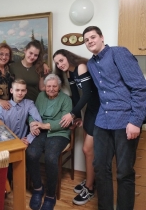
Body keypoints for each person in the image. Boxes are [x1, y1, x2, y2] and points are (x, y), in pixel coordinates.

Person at [83, 26, 146, 210]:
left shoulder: (119, 53)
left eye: (93, 37)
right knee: (101, 169)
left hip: (125, 121)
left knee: (124, 172)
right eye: (86, 40)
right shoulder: (91, 64)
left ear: (102, 37)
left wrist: (135, 121)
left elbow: (140, 88)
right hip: (103, 121)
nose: (90, 41)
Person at [53, 49, 100, 205]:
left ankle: (90, 188)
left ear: (68, 57)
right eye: (57, 63)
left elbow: (87, 93)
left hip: (100, 110)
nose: (60, 65)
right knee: (89, 151)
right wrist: (78, 116)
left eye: (61, 60)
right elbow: (76, 95)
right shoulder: (69, 73)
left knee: (87, 149)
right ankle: (91, 180)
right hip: (91, 110)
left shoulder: (81, 66)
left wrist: (72, 114)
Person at [26, 74, 72, 210]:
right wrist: (32, 124)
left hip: (59, 133)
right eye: (48, 86)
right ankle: (38, 188)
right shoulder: (41, 96)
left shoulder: (66, 99)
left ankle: (51, 195)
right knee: (31, 153)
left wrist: (45, 125)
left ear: (59, 87)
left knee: (51, 157)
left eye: (54, 86)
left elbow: (65, 122)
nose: (51, 89)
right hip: (41, 131)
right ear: (45, 87)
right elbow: (32, 113)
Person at [0, 78, 42, 186]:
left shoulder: (29, 104)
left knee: (26, 158)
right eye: (17, 90)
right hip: (6, 141)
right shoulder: (2, 107)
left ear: (26, 91)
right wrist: (14, 142)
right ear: (11, 91)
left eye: (23, 90)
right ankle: (5, 185)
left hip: (22, 141)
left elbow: (38, 121)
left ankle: (20, 184)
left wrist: (28, 139)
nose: (20, 93)